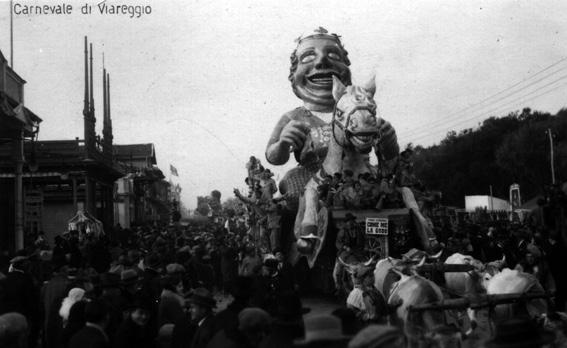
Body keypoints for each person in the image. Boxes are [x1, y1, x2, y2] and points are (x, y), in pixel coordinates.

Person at [265, 27, 398, 202]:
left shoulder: (360, 110)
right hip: (312, 176)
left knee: (391, 192)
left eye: (333, 55)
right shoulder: (293, 117)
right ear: (294, 72)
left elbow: (388, 157)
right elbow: (273, 157)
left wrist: (389, 141)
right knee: (295, 191)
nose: (321, 62)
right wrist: (283, 144)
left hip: (361, 176)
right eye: (308, 57)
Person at [333, 214, 365, 293]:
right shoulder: (343, 231)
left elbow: (362, 241)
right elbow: (338, 242)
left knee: (364, 264)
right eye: (348, 222)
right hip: (345, 251)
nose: (350, 223)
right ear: (346, 223)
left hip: (357, 251)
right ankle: (338, 284)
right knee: (339, 266)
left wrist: (361, 248)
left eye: (352, 221)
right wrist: (344, 247)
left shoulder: (358, 230)